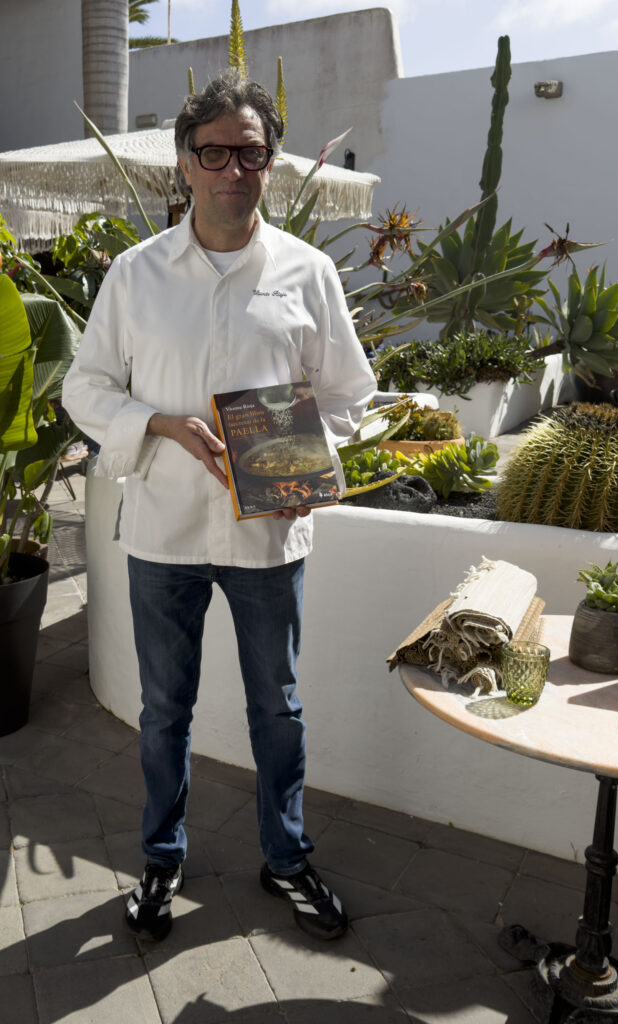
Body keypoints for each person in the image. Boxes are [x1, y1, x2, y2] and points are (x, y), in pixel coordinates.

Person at [63, 71, 377, 942]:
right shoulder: (136, 275)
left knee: (276, 706)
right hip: (164, 527)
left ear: (270, 164)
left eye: (251, 152)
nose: (233, 168)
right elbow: (85, 387)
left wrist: (299, 454)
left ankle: (287, 860)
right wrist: (155, 421)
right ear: (185, 164)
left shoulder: (308, 274)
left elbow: (353, 393)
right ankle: (160, 859)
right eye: (215, 152)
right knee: (166, 709)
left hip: (270, 533)